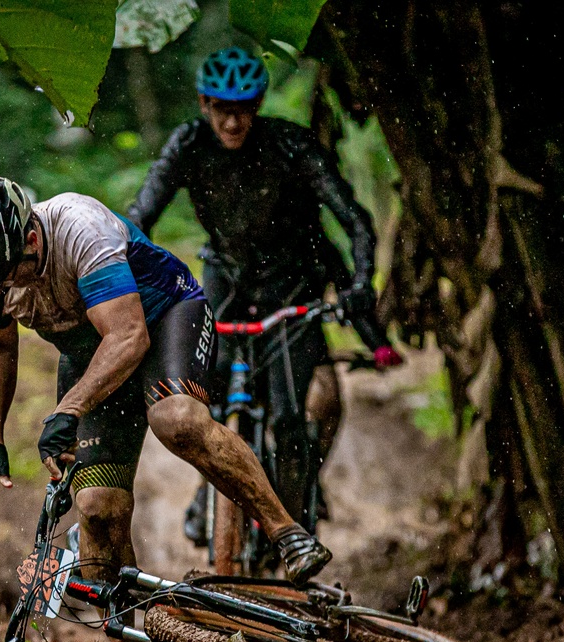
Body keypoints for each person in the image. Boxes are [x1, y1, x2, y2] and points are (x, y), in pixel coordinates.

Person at [0, 171, 332, 584]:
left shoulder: (81, 230)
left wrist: (69, 409)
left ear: (31, 240)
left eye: (6, 277)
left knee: (177, 420)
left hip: (163, 319)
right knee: (96, 507)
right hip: (92, 350)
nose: (2, 290)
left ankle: (287, 533)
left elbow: (129, 336)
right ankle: (121, 624)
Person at [126, 45, 402, 544]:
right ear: (204, 105)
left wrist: (362, 285)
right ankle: (209, 491)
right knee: (199, 400)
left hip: (289, 285)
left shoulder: (290, 145)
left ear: (258, 106)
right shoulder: (188, 144)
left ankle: (294, 520)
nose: (233, 122)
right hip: (224, 278)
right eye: (222, 109)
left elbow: (355, 219)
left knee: (292, 417)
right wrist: (125, 275)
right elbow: (140, 217)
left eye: (244, 109)